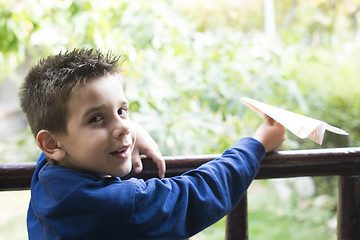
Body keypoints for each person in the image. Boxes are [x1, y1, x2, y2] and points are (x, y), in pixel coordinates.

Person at [20, 48, 285, 240]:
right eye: (96, 118)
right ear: (51, 143)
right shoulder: (120, 205)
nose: (122, 126)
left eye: (122, 111)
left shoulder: (48, 176)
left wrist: (130, 128)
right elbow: (201, 193)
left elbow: (75, 139)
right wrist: (257, 143)